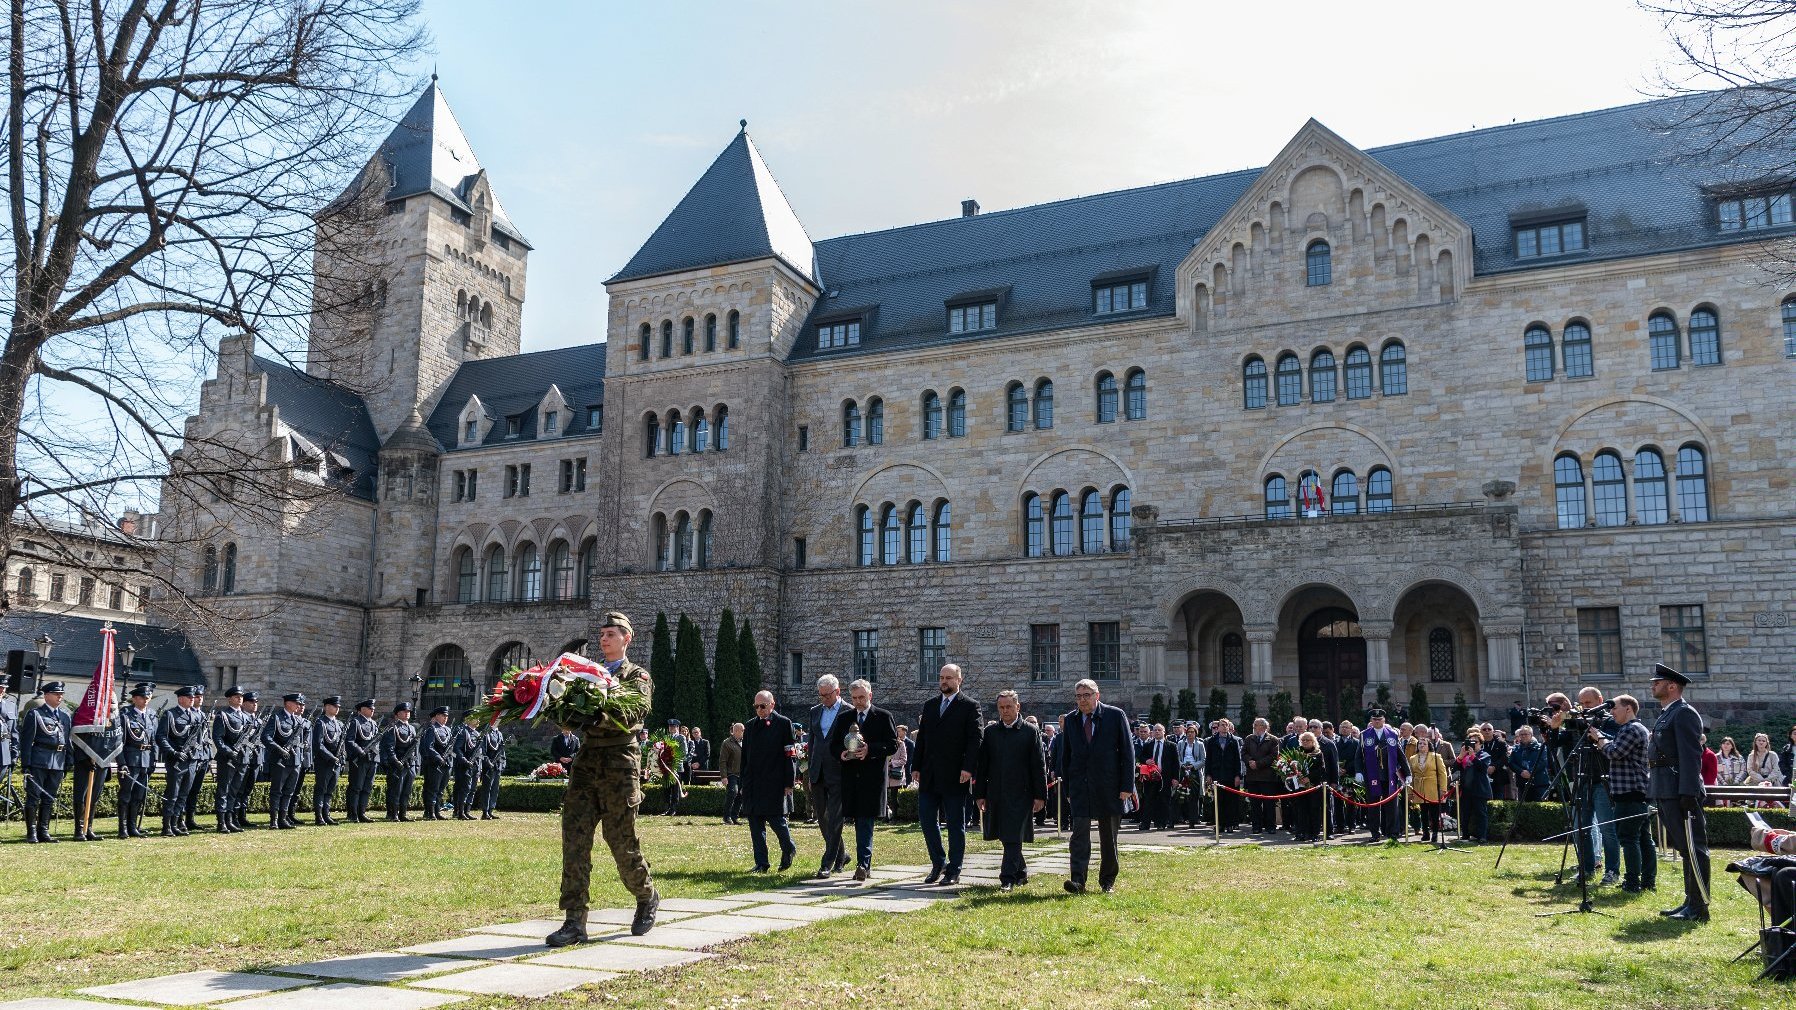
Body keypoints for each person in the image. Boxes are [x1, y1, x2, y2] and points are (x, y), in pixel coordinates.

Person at [548, 611, 659, 947]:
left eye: (612, 633)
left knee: (621, 842)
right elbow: (568, 716)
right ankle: (574, 922)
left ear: (627, 638)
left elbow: (630, 713)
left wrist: (594, 709)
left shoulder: (637, 676)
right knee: (575, 842)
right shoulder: (584, 675)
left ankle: (646, 895)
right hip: (586, 762)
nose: (604, 638)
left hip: (620, 763)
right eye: (602, 634)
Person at [1056, 679, 1133, 894]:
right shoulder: (1071, 720)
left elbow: (1127, 752)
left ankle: (1107, 881)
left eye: (1086, 695)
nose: (1082, 700)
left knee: (1108, 837)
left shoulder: (1115, 715)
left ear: (1097, 696)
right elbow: (1066, 756)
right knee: (1079, 836)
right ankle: (1078, 880)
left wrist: (1127, 786)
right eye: (1078, 696)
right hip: (1081, 786)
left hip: (1109, 786)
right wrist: (1069, 789)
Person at [1648, 664, 1710, 922]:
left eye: (1657, 682)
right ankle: (1690, 901)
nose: (1653, 685)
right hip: (1666, 788)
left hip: (1678, 790)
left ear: (1672, 686)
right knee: (1685, 849)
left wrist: (1687, 791)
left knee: (1694, 848)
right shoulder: (1667, 714)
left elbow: (1691, 755)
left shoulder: (1683, 713)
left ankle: (1699, 907)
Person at [914, 663, 982, 886]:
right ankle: (938, 862)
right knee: (926, 820)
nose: (944, 681)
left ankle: (954, 869)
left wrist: (968, 767)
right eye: (942, 677)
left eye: (949, 678)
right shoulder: (931, 705)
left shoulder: (970, 706)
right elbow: (922, 738)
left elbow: (975, 740)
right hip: (929, 774)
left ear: (959, 680)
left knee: (955, 824)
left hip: (956, 775)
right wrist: (916, 766)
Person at [824, 678, 897, 881]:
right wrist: (842, 754)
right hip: (851, 779)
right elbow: (834, 745)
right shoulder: (845, 718)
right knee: (857, 822)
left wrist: (870, 750)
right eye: (854, 698)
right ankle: (864, 864)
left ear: (870, 695)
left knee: (865, 822)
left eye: (862, 697)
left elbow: (892, 745)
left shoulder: (883, 716)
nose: (858, 702)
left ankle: (863, 864)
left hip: (872, 780)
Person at [975, 690, 1046, 891]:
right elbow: (983, 766)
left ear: (1018, 707)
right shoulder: (990, 733)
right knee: (1006, 835)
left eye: (1009, 707)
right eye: (1001, 707)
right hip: (996, 792)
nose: (1005, 711)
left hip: (1022, 793)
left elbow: (1038, 766)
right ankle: (1021, 872)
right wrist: (980, 794)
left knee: (1013, 834)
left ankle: (1007, 878)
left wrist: (1040, 795)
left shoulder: (1030, 731)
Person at [1591, 693, 1656, 893]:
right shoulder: (1634, 729)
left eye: (1615, 708)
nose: (1611, 712)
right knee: (1643, 837)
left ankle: (1632, 881)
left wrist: (1599, 738)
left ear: (1628, 708)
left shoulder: (1631, 728)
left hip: (1629, 792)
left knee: (1629, 838)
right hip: (1636, 791)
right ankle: (1646, 881)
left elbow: (1614, 752)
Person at [741, 691, 798, 873]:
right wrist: (744, 782)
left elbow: (790, 756)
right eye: (756, 706)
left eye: (763, 706)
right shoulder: (750, 726)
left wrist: (789, 782)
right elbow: (745, 758)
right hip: (753, 783)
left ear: (772, 705)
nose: (759, 710)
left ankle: (788, 848)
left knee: (777, 821)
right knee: (755, 825)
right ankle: (761, 863)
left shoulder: (783, 723)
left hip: (774, 782)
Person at [804, 675, 852, 876]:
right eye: (821, 695)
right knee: (822, 817)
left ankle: (828, 862)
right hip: (817, 770)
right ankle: (842, 854)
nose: (823, 699)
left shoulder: (849, 711)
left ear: (837, 691)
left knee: (834, 817)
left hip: (839, 771)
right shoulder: (815, 711)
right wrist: (808, 766)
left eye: (827, 695)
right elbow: (813, 741)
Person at [21, 682, 72, 843]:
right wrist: (26, 764)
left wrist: (69, 760)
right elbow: (26, 741)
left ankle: (44, 831)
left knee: (49, 797)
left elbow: (68, 740)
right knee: (33, 797)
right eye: (56, 694)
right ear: (46, 695)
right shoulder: (35, 714)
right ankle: (32, 833)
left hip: (57, 761)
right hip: (39, 760)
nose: (60, 696)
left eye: (61, 694)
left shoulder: (65, 715)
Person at [155, 684, 205, 836]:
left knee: (184, 794)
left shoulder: (196, 716)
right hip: (176, 760)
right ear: (181, 699)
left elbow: (199, 738)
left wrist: (196, 752)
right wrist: (173, 752)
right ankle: (167, 826)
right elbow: (161, 736)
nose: (192, 699)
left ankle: (176, 823)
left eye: (193, 697)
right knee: (173, 794)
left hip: (191, 760)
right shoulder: (170, 714)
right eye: (189, 697)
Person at [261, 693, 308, 830]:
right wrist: (280, 750)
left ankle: (283, 818)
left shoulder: (299, 721)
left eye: (300, 704)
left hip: (295, 761)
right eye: (296, 703)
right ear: (287, 703)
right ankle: (274, 820)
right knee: (277, 791)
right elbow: (266, 737)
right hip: (280, 760)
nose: (299, 706)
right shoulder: (276, 718)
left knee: (289, 791)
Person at [211, 686, 255, 833]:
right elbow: (217, 738)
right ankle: (221, 822)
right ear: (229, 698)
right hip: (227, 759)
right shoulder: (223, 715)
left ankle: (230, 820)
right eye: (236, 696)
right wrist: (229, 752)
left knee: (234, 791)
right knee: (224, 789)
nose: (240, 698)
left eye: (241, 696)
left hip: (242, 758)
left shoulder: (246, 717)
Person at [116, 683, 156, 838]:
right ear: (134, 699)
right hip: (130, 760)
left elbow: (153, 741)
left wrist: (152, 760)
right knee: (126, 795)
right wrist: (122, 763)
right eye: (142, 697)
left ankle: (132, 827)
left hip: (145, 760)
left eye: (147, 697)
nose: (145, 700)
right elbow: (119, 742)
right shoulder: (126, 715)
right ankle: (123, 828)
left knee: (139, 796)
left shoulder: (151, 715)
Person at [1361, 709, 1407, 841]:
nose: (1377, 721)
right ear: (1371, 720)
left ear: (1384, 720)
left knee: (1392, 806)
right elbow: (1359, 755)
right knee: (1373, 807)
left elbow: (1400, 755)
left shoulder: (1392, 734)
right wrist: (1359, 771)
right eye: (1374, 719)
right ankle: (1375, 833)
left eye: (1379, 719)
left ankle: (1392, 832)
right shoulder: (1365, 735)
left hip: (1389, 774)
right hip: (1372, 775)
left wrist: (1407, 773)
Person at [379, 702, 420, 821]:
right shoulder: (393, 728)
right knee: (395, 790)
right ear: (397, 714)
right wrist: (396, 761)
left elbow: (415, 749)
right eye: (404, 712)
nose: (407, 714)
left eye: (408, 712)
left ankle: (403, 813)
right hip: (397, 763)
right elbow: (390, 748)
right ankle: (393, 814)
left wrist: (416, 763)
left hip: (409, 763)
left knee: (406, 790)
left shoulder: (412, 728)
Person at [343, 699, 381, 823]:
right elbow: (349, 741)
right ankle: (353, 813)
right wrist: (360, 751)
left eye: (373, 708)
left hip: (372, 759)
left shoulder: (374, 724)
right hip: (360, 760)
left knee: (367, 787)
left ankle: (362, 812)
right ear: (362, 709)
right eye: (370, 708)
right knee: (356, 787)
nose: (372, 710)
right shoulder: (356, 722)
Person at [1241, 717, 1280, 835]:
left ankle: (1270, 826)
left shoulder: (1273, 740)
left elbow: (1273, 756)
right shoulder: (1249, 738)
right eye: (1254, 725)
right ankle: (1256, 826)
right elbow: (1243, 753)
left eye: (1256, 725)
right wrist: (1249, 761)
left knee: (1269, 803)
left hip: (1267, 777)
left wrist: (1258, 764)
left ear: (1264, 727)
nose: (1254, 727)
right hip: (1253, 777)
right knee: (1255, 804)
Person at [183, 684, 213, 833]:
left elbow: (206, 738)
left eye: (201, 697)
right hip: (192, 757)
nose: (200, 699)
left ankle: (190, 818)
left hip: (203, 757)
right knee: (186, 790)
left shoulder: (202, 715)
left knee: (195, 791)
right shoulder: (191, 715)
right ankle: (180, 819)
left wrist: (208, 758)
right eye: (197, 697)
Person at [311, 696, 346, 826]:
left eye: (338, 707)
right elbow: (318, 745)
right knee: (321, 789)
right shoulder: (321, 722)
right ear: (326, 707)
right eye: (334, 706)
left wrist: (341, 759)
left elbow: (342, 744)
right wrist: (331, 757)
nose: (337, 708)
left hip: (336, 762)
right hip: (324, 762)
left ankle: (327, 814)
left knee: (330, 790)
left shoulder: (339, 724)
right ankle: (319, 816)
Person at [1408, 736, 1449, 843]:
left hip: (1433, 787)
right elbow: (1411, 776)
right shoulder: (1413, 758)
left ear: (1428, 745)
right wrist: (1410, 792)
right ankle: (1425, 833)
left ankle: (1435, 832)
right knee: (1423, 812)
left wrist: (1443, 789)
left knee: (1434, 812)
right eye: (1420, 744)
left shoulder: (1436, 756)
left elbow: (1442, 774)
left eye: (1424, 744)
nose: (1421, 745)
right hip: (1419, 788)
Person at [235, 692, 265, 829]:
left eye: (256, 702)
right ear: (244, 704)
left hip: (255, 758)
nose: (255, 704)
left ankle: (243, 816)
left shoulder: (258, 721)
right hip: (243, 757)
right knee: (239, 788)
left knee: (248, 789)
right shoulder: (242, 719)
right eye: (252, 702)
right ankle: (235, 816)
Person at [1207, 718, 1243, 831]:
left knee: (1231, 801)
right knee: (1218, 801)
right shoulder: (1212, 741)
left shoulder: (1233, 741)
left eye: (1225, 725)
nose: (1223, 727)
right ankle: (1219, 824)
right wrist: (1208, 774)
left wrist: (1238, 775)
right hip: (1217, 775)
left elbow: (1238, 759)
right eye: (1221, 725)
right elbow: (1208, 759)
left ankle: (1230, 824)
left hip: (1230, 775)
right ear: (1218, 727)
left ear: (1229, 727)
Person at [1456, 730, 1492, 842]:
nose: (1472, 744)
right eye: (1470, 742)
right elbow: (1455, 768)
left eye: (1475, 742)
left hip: (1479, 789)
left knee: (1481, 813)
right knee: (1465, 813)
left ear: (1481, 744)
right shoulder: (1464, 755)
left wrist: (1472, 756)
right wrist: (1461, 757)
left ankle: (1482, 836)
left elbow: (1482, 767)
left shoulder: (1485, 755)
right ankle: (1465, 834)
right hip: (1466, 789)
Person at [419, 706, 454, 820]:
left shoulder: (448, 730)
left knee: (441, 789)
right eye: (443, 715)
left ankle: (437, 811)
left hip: (446, 763)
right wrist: (439, 758)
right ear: (437, 716)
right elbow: (429, 747)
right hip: (435, 763)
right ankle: (430, 812)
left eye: (446, 716)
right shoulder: (432, 729)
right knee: (432, 789)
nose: (445, 718)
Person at [451, 712, 484, 820]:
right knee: (464, 788)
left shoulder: (477, 734)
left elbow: (479, 752)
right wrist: (464, 760)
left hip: (474, 765)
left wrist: (479, 767)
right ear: (468, 719)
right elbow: (457, 748)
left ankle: (467, 811)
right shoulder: (463, 732)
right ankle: (459, 812)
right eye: (476, 718)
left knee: (472, 789)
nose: (478, 720)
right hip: (464, 765)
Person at [1176, 722, 1207, 829]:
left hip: (1195, 771)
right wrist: (1182, 765)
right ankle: (1180, 817)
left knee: (1194, 796)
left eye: (1192, 732)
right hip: (1183, 770)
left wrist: (1193, 766)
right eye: (1188, 732)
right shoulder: (1180, 743)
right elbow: (1178, 758)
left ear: (1195, 733)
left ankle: (1193, 819)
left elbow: (1203, 760)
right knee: (1181, 795)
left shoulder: (1200, 744)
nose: (1190, 734)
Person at [1333, 720, 1361, 832]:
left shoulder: (1356, 742)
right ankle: (1340, 826)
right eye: (1342, 727)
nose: (1344, 729)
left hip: (1350, 776)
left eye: (1346, 727)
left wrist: (1346, 769)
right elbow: (1332, 758)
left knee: (1350, 801)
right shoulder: (1334, 742)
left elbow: (1358, 758)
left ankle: (1351, 826)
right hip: (1338, 777)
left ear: (1351, 729)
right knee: (1338, 802)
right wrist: (1338, 769)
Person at [1509, 725, 1549, 802]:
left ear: (1531, 735)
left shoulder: (1541, 747)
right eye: (1521, 734)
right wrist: (1521, 771)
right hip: (1522, 782)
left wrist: (1530, 772)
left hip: (1539, 782)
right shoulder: (1515, 749)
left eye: (1526, 734)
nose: (1523, 736)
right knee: (1524, 807)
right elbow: (1511, 763)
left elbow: (1543, 762)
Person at [478, 721, 506, 819]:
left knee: (494, 789)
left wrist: (503, 764)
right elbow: (482, 751)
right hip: (489, 766)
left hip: (497, 766)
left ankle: (491, 810)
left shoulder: (499, 734)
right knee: (487, 789)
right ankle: (485, 811)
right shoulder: (486, 733)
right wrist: (488, 762)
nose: (498, 721)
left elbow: (502, 752)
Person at [719, 722, 745, 825]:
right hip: (731, 773)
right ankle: (726, 817)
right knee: (733, 792)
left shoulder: (745, 741)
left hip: (742, 774)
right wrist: (724, 776)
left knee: (741, 795)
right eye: (742, 730)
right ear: (736, 731)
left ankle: (734, 817)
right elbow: (722, 761)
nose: (744, 732)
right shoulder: (727, 743)